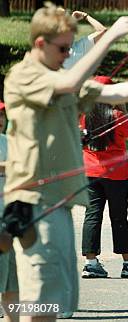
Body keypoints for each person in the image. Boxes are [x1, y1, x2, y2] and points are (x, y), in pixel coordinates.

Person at [2, 5, 128, 320]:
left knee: (50, 301)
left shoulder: (60, 75)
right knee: (45, 302)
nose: (69, 54)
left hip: (59, 203)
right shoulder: (26, 76)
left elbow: (109, 93)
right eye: (64, 48)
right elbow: (68, 85)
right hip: (35, 203)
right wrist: (108, 40)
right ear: (41, 44)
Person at [79, 76, 128, 279]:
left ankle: (91, 263)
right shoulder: (117, 115)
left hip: (90, 172)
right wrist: (123, 109)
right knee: (119, 217)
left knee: (92, 215)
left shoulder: (82, 116)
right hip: (116, 174)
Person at [0, 101, 18, 322]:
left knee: (13, 282)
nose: (0, 119)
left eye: (3, 115)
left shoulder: (9, 142)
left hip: (13, 218)